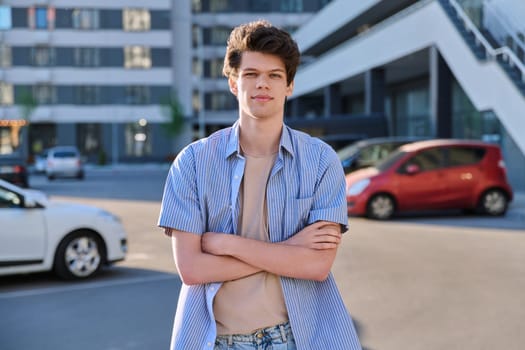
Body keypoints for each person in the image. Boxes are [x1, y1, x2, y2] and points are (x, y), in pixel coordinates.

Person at [158, 20, 362, 350]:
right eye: (251, 74)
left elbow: (318, 265)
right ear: (234, 83)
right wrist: (291, 248)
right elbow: (192, 269)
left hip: (293, 338)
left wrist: (228, 244)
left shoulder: (321, 161)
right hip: (216, 340)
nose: (262, 84)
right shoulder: (193, 162)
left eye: (274, 75)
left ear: (289, 85)